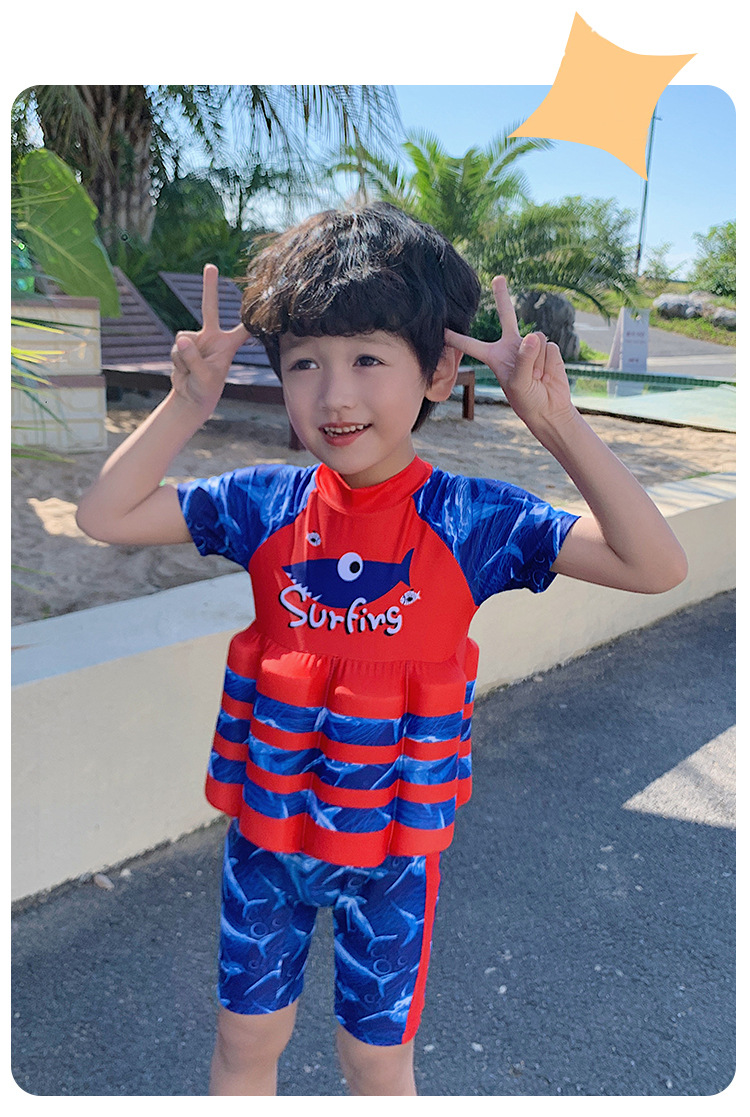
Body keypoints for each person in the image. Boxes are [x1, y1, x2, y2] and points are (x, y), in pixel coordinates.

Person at [76, 203, 687, 1097]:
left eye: (368, 358)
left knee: (375, 1061)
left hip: (392, 855)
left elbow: (655, 565)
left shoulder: (472, 519)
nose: (335, 396)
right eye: (304, 363)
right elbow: (105, 515)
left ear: (438, 370)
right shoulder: (263, 503)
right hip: (266, 839)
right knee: (245, 1043)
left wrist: (555, 423)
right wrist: (186, 403)